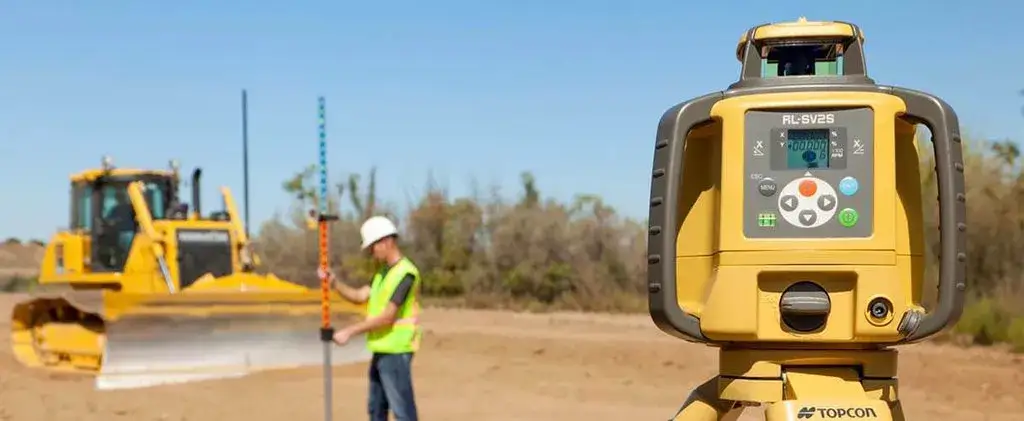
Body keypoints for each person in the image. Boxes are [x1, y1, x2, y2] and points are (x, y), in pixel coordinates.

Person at [322, 215, 422, 421]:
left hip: (396, 350)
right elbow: (360, 296)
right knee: (375, 409)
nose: (371, 252)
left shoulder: (406, 273)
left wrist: (349, 331)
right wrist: (334, 283)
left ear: (386, 241)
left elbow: (387, 317)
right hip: (380, 349)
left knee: (403, 412)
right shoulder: (382, 273)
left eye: (373, 246)